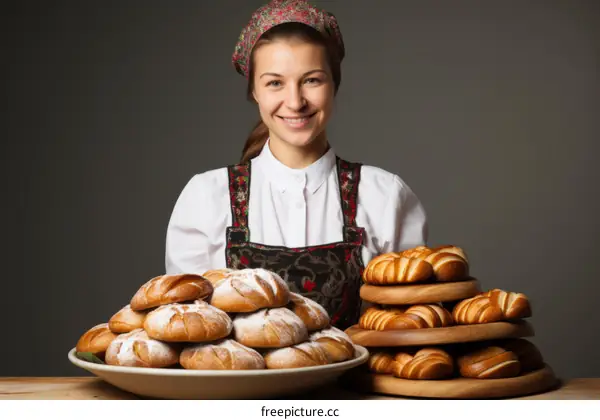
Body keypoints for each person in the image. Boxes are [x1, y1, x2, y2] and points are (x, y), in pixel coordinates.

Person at [164, 0, 428, 330]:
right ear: (255, 92)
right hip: (240, 384)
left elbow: (410, 328)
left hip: (352, 383)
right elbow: (189, 329)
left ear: (335, 85)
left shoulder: (385, 196)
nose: (295, 101)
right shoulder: (205, 198)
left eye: (312, 80)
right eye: (275, 82)